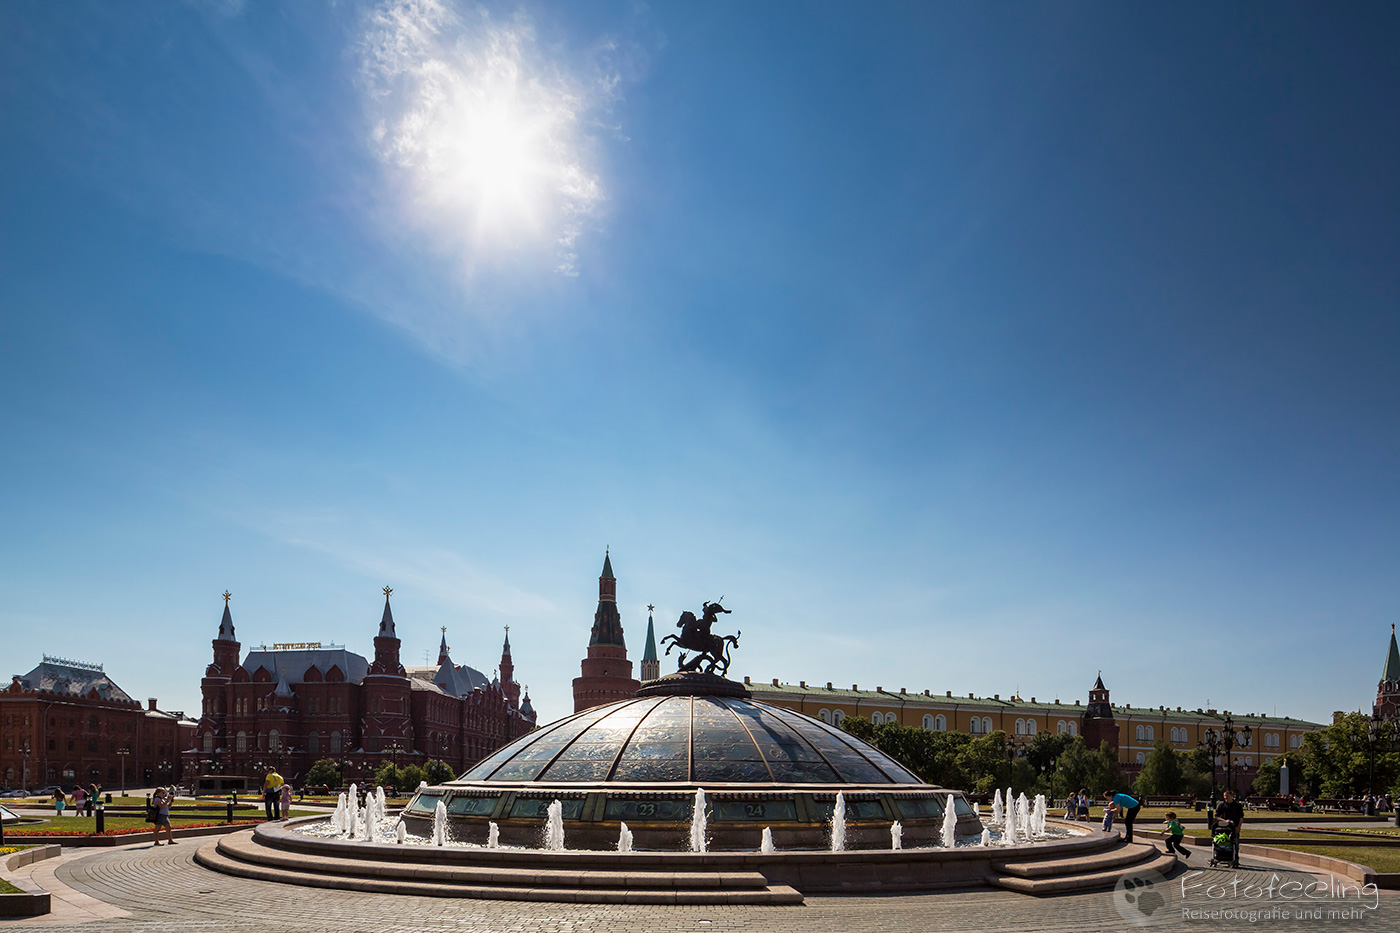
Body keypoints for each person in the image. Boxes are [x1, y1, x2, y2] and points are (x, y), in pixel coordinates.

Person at [1215, 788, 1245, 868]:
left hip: (1234, 827)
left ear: (1232, 796)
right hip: (1224, 828)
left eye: (1227, 796)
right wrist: (1225, 821)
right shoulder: (1221, 805)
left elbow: (1241, 817)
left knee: (1235, 843)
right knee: (1224, 842)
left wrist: (1239, 827)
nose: (1225, 797)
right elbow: (1216, 816)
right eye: (1224, 796)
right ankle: (1222, 856)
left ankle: (1235, 859)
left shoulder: (1237, 805)